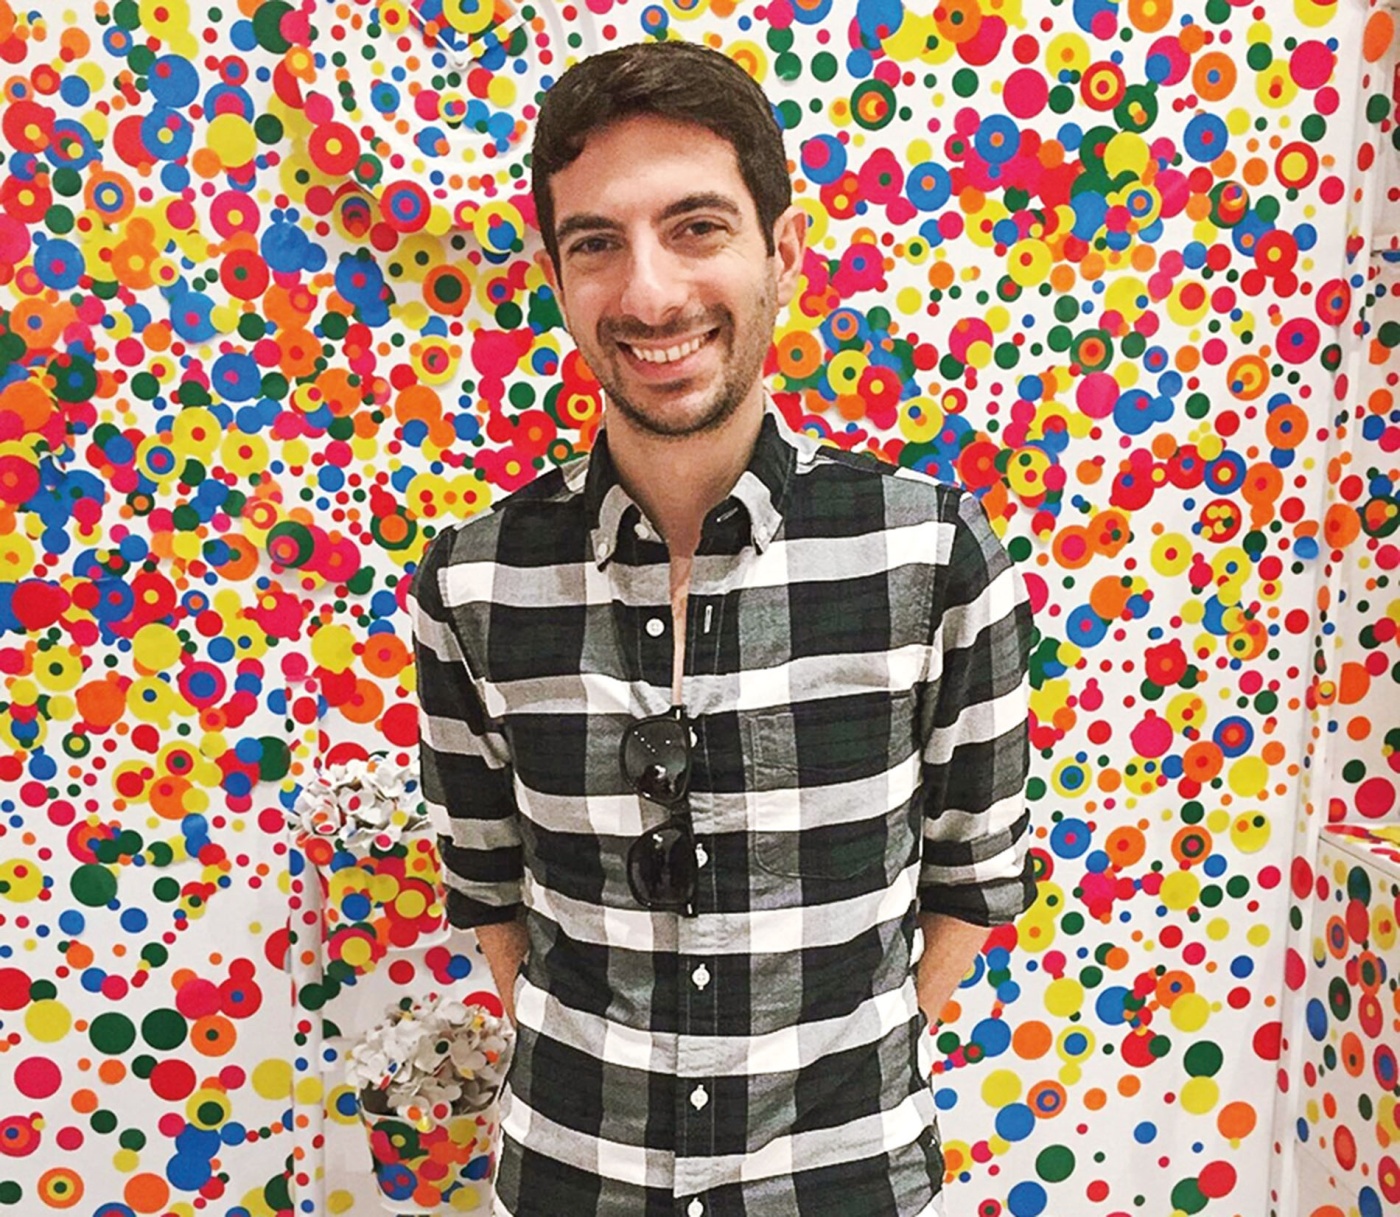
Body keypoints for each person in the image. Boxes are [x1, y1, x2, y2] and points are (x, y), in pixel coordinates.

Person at [409, 39, 1036, 1217]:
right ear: (556, 276)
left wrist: (844, 1061)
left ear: (780, 255)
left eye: (694, 226)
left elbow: (969, 876)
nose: (647, 294)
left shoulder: (935, 554)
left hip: (846, 1180)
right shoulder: (470, 582)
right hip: (566, 1180)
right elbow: (486, 892)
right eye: (596, 242)